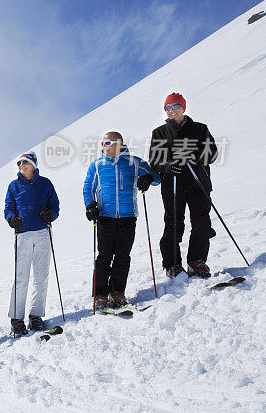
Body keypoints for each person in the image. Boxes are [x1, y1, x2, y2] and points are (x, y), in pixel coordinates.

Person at [84, 132, 160, 308]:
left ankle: (117, 293)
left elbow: (156, 178)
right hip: (105, 217)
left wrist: (148, 178)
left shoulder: (135, 163)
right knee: (104, 257)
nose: (104, 145)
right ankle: (100, 295)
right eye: (102, 142)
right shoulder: (97, 165)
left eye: (108, 142)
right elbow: (88, 187)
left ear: (119, 144)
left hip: (127, 217)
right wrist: (90, 206)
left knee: (123, 256)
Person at [148, 93, 218, 278]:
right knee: (173, 224)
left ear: (183, 108)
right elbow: (155, 161)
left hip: (198, 183)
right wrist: (168, 165)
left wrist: (193, 157)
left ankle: (197, 261)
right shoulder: (160, 133)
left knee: (202, 223)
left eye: (175, 107)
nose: (171, 111)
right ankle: (172, 264)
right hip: (173, 186)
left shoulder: (200, 129)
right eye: (167, 108)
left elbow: (212, 153)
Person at [4, 151, 59, 336]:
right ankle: (16, 319)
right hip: (23, 234)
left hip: (42, 232)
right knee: (21, 277)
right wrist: (12, 219)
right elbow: (8, 208)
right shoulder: (14, 186)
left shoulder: (45, 183)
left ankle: (36, 315)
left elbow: (54, 205)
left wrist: (51, 215)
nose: (22, 166)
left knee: (41, 275)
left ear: (34, 164)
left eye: (25, 162)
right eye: (19, 163)